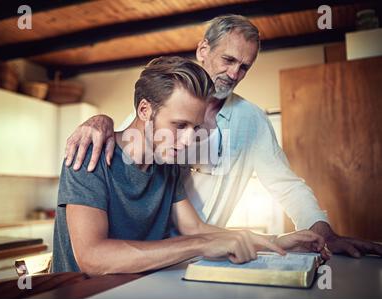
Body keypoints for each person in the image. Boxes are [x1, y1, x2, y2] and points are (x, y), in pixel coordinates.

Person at [63, 15, 382, 258]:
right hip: (141, 258)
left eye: (245, 67)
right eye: (228, 60)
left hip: (198, 254)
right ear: (204, 50)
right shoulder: (167, 98)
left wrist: (316, 235)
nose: (234, 74)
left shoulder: (250, 121)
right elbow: (129, 137)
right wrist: (98, 120)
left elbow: (286, 187)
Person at [53, 56, 327, 274]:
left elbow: (194, 228)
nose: (187, 141)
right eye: (179, 125)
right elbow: (92, 258)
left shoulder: (167, 163)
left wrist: (274, 242)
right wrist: (202, 246)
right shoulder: (89, 153)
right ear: (145, 110)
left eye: (194, 127)